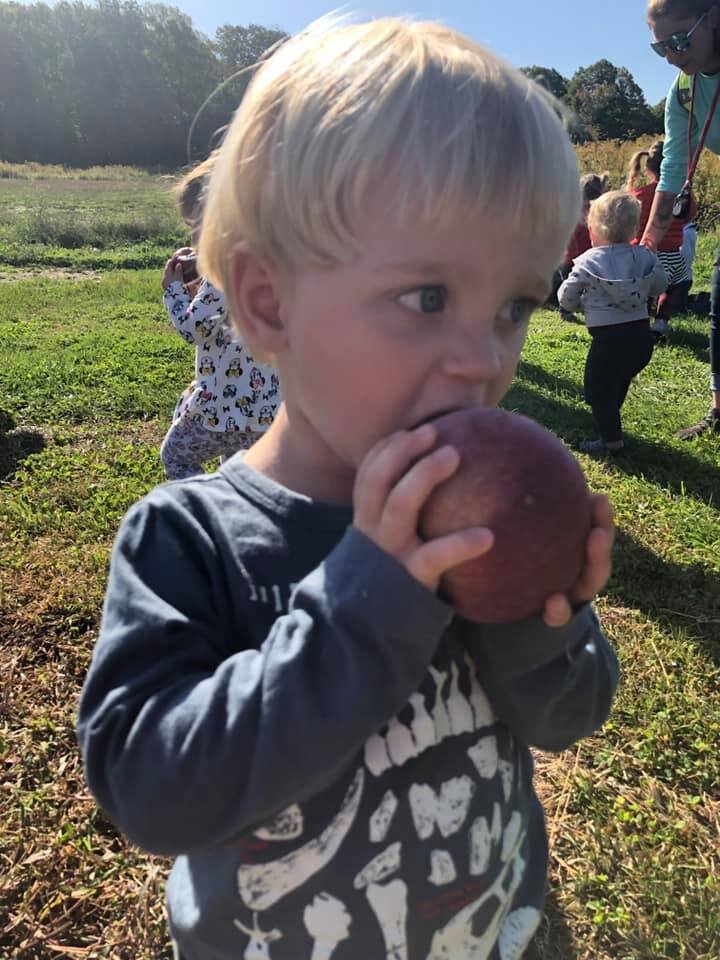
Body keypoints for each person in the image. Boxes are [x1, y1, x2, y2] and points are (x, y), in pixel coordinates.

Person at [77, 18, 619, 960]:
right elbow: (149, 792)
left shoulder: (474, 521)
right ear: (267, 302)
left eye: (513, 308)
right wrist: (365, 602)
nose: (484, 361)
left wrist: (543, 619)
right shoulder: (192, 541)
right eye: (427, 299)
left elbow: (571, 717)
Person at [160, 156, 280, 479]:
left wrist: (173, 291)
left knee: (174, 457)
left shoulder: (224, 269)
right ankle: (234, 515)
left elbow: (194, 328)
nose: (193, 238)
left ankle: (207, 515)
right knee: (238, 472)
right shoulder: (266, 260)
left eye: (196, 228)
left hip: (222, 409)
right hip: (265, 409)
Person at [644, 0, 720, 437]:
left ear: (711, 16)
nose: (672, 56)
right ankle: (718, 411)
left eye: (678, 41)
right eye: (660, 49)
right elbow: (673, 166)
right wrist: (648, 244)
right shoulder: (685, 91)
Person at [559, 191, 668, 454]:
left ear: (594, 229)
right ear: (634, 228)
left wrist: (572, 305)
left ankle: (611, 442)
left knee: (597, 390)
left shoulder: (588, 262)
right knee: (617, 381)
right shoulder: (644, 257)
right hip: (641, 341)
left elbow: (566, 294)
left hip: (608, 342)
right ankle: (610, 419)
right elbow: (662, 283)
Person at [626, 140, 696, 341]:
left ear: (647, 166)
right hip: (673, 255)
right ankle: (661, 322)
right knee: (677, 283)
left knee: (643, 290)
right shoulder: (683, 196)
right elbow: (691, 215)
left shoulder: (638, 195)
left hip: (643, 254)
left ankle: (640, 321)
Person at [552, 172, 610, 318]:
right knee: (589, 287)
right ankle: (574, 309)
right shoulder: (601, 212)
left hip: (572, 259)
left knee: (569, 286)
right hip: (593, 260)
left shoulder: (573, 210)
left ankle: (566, 310)